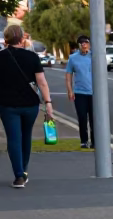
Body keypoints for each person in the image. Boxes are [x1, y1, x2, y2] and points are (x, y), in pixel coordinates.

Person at [0, 24, 54, 187]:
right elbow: (42, 83)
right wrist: (48, 103)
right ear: (22, 38)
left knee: (14, 139)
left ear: (6, 39)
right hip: (30, 104)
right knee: (26, 136)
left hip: (7, 105)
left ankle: (19, 175)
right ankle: (24, 170)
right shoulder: (32, 57)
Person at [66, 34, 95, 148]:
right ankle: (84, 141)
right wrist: (70, 90)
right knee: (82, 118)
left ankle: (94, 141)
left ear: (89, 44)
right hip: (80, 92)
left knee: (94, 119)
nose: (84, 45)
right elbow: (68, 75)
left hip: (94, 93)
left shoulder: (94, 56)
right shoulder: (73, 58)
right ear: (79, 45)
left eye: (86, 42)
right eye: (81, 43)